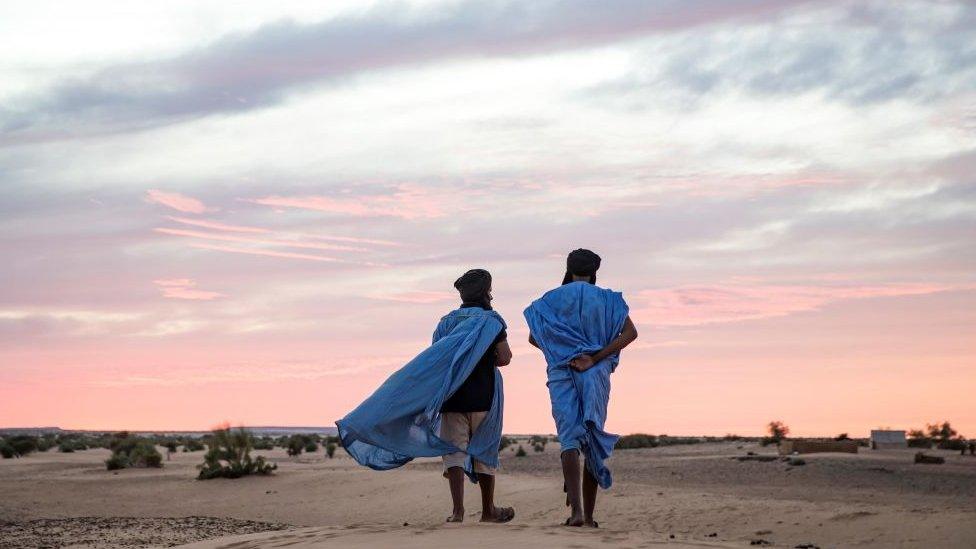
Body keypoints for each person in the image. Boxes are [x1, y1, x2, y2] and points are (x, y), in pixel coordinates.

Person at [336, 269, 515, 524]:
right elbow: (505, 357)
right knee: (485, 453)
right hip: (484, 398)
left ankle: (458, 512)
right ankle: (488, 511)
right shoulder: (491, 321)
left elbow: (437, 360)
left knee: (453, 455)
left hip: (451, 400)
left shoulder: (445, 323)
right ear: (487, 292)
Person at [524, 249, 638, 528]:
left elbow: (533, 337)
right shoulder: (608, 299)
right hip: (595, 373)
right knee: (592, 436)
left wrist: (562, 355)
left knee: (569, 438)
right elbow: (630, 334)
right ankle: (588, 516)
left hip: (563, 371)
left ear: (568, 269)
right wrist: (595, 358)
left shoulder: (549, 300)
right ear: (594, 271)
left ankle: (575, 512)